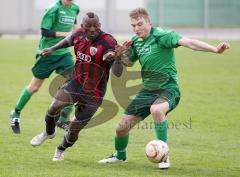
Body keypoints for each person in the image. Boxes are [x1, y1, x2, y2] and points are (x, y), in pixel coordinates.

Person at [98, 8, 230, 169]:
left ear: (149, 23)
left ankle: (164, 156)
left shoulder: (163, 36)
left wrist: (215, 49)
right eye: (133, 25)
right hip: (147, 90)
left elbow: (190, 43)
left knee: (157, 110)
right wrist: (118, 56)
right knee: (121, 128)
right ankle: (120, 156)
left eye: (140, 24)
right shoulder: (136, 41)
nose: (136, 28)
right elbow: (129, 62)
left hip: (169, 88)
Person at [30, 12, 123, 161]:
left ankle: (60, 149)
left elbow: (117, 72)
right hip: (76, 82)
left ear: (100, 25)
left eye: (96, 26)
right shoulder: (78, 34)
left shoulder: (108, 41)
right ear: (82, 26)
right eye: (88, 26)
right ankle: (49, 132)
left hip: (95, 93)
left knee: (74, 130)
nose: (92, 29)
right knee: (55, 106)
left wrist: (117, 58)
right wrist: (52, 49)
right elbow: (68, 40)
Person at [10, 0, 80, 133]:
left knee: (75, 82)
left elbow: (75, 28)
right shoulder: (53, 9)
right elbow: (45, 32)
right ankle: (15, 113)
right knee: (34, 87)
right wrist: (67, 35)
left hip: (63, 54)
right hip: (46, 53)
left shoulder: (75, 8)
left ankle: (63, 119)